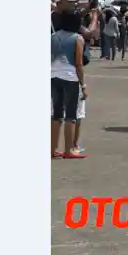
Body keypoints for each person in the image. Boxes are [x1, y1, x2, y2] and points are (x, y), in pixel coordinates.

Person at [51, 10, 87, 159]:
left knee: (56, 115)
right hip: (70, 77)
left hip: (53, 75)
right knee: (70, 115)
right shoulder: (77, 38)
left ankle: (52, 149)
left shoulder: (52, 37)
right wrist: (83, 84)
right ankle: (68, 150)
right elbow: (78, 63)